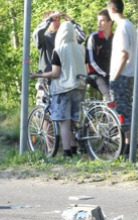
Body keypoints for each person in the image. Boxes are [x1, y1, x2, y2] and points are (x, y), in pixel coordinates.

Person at [30, 21, 87, 157]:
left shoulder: (59, 50)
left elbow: (55, 73)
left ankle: (67, 152)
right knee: (75, 120)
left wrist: (38, 75)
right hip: (79, 87)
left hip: (63, 89)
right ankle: (74, 149)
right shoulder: (81, 49)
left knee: (65, 122)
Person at [33, 11, 85, 103]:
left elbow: (82, 36)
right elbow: (36, 33)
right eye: (54, 20)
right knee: (45, 114)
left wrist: (71, 21)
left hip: (64, 82)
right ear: (47, 22)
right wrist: (49, 19)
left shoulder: (66, 38)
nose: (57, 23)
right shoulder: (44, 38)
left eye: (58, 20)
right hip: (46, 82)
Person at [107, 0, 138, 150]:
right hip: (130, 73)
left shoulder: (122, 27)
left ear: (112, 10)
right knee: (126, 110)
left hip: (123, 75)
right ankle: (127, 146)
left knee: (123, 112)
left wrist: (115, 76)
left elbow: (124, 54)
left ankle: (127, 147)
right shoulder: (130, 26)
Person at [85, 9, 113, 101]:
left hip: (111, 74)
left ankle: (106, 114)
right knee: (110, 96)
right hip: (96, 75)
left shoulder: (115, 38)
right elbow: (91, 60)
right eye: (98, 20)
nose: (99, 23)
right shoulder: (93, 37)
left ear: (110, 22)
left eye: (102, 21)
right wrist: (105, 73)